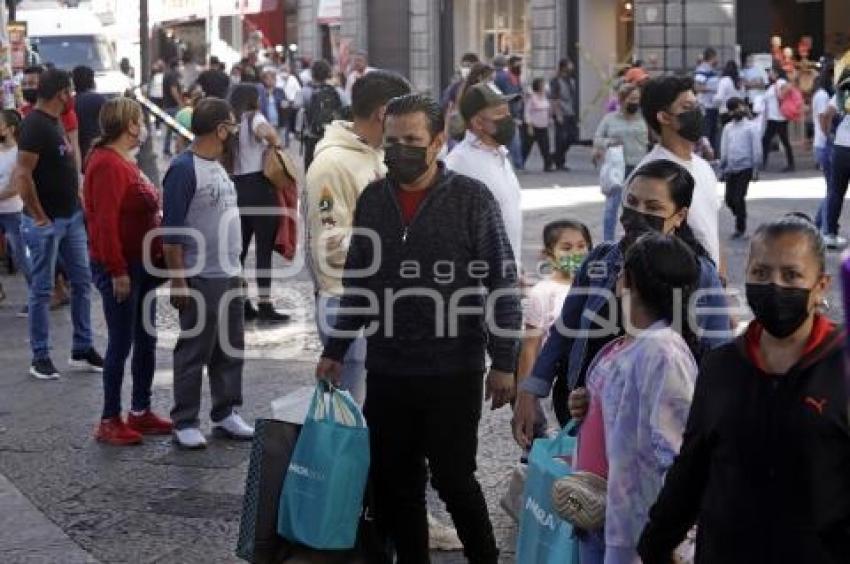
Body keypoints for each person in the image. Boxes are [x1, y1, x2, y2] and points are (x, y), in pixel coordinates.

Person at [316, 94, 521, 562]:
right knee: (396, 481)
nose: (400, 150)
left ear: (437, 142)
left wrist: (504, 361)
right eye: (392, 141)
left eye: (412, 140)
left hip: (454, 367)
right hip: (389, 367)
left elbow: (501, 281)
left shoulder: (472, 198)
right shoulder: (373, 199)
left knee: (454, 478)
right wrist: (336, 348)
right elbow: (359, 283)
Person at [638, 214, 850, 564]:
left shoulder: (842, 366)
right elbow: (692, 468)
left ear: (821, 285)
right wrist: (655, 546)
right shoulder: (723, 367)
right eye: (761, 273)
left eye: (792, 275)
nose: (774, 285)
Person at [513, 160, 731, 439]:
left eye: (653, 208)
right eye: (632, 202)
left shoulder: (699, 274)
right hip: (583, 409)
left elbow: (717, 356)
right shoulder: (600, 260)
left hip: (653, 425)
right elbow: (564, 330)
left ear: (679, 216)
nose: (638, 214)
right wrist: (531, 391)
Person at [569, 233, 701, 564]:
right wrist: (585, 404)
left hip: (636, 530)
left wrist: (673, 535)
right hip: (599, 515)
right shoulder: (630, 342)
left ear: (627, 279)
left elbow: (677, 450)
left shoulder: (662, 352)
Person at [306, 70, 410, 405]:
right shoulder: (332, 163)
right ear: (384, 114)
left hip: (383, 301)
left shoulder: (377, 153)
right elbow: (330, 243)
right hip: (345, 300)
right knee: (347, 415)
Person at [161, 97, 253, 449]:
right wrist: (178, 280)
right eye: (231, 125)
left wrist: (238, 270)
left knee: (230, 347)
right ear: (220, 129)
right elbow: (171, 232)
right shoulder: (185, 169)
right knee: (194, 349)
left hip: (228, 272)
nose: (234, 132)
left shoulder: (218, 166)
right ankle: (184, 419)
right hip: (200, 274)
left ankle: (225, 411)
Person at [84, 97, 172, 445]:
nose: (144, 127)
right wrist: (117, 270)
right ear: (130, 125)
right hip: (124, 268)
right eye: (140, 120)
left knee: (145, 339)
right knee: (121, 342)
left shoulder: (121, 160)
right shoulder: (107, 164)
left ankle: (140, 410)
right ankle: (109, 417)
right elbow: (103, 223)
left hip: (141, 265)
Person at [14, 68, 103, 380]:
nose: (73, 99)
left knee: (81, 282)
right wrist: (39, 216)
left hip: (70, 218)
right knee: (41, 289)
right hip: (47, 223)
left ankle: (82, 346)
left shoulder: (54, 122)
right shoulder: (35, 126)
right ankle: (40, 355)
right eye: (70, 93)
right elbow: (23, 175)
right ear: (62, 94)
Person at [635, 75, 723, 269]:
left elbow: (710, 229)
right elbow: (641, 242)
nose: (697, 113)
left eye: (696, 106)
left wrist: (719, 277)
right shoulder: (651, 176)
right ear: (664, 117)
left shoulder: (703, 166)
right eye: (687, 108)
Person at [515, 220, 592, 438]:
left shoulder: (598, 286)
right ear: (548, 254)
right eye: (566, 248)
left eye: (581, 246)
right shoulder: (543, 292)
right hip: (566, 385)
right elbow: (530, 348)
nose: (576, 253)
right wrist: (525, 399)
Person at [226, 84, 289, 323]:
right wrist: (275, 142)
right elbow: (268, 133)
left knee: (238, 251)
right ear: (254, 100)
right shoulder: (254, 117)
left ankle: (241, 303)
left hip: (238, 188)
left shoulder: (231, 121)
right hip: (260, 189)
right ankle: (265, 304)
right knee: (263, 251)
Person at [446, 82, 523, 265]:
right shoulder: (459, 163)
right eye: (499, 113)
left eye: (508, 112)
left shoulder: (500, 155)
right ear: (478, 122)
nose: (508, 118)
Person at [593, 83, 650, 242]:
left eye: (637, 99)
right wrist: (609, 142)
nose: (635, 102)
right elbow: (597, 139)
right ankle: (608, 242)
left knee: (635, 208)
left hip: (639, 168)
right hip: (617, 169)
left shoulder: (643, 118)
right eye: (632, 99)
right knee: (612, 207)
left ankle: (633, 239)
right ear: (622, 99)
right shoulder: (610, 119)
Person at [0, 109, 31, 317]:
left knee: (22, 256)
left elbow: (14, 188)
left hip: (13, 211)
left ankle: (37, 296)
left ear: (10, 129)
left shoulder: (19, 153)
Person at [719, 97, 762, 239]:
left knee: (739, 198)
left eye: (738, 108)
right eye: (733, 109)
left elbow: (756, 149)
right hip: (731, 168)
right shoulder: (727, 128)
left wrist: (756, 169)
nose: (736, 112)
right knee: (729, 199)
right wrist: (723, 167)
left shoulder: (751, 127)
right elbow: (724, 148)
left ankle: (740, 227)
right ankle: (740, 214)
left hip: (746, 167)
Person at [820, 68, 850, 250]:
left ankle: (830, 234)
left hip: (840, 147)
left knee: (836, 192)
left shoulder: (843, 93)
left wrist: (828, 135)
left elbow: (825, 114)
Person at [297, 59, 346, 170]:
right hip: (333, 137)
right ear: (328, 73)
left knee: (312, 170)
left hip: (312, 137)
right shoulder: (337, 90)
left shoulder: (305, 91)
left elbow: (297, 107)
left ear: (312, 73)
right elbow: (347, 107)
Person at [812, 63, 835, 234]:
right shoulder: (822, 96)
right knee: (833, 190)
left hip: (822, 144)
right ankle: (825, 230)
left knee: (831, 189)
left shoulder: (822, 94)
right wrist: (830, 137)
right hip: (824, 145)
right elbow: (823, 119)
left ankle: (818, 225)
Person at [494, 55, 526, 171]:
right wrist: (516, 114)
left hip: (497, 112)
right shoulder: (507, 77)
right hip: (508, 112)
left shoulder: (496, 76)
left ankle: (505, 163)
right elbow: (512, 95)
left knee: (502, 140)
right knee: (513, 140)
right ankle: (518, 164)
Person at [762, 65, 795, 172]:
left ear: (776, 73)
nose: (769, 74)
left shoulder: (780, 82)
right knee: (768, 140)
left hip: (779, 118)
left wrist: (780, 93)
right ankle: (764, 162)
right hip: (773, 118)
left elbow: (787, 90)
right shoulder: (772, 85)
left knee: (779, 140)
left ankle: (790, 164)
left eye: (771, 72)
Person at [72, 65, 106, 163]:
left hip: (77, 151)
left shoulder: (70, 102)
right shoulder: (100, 100)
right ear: (92, 81)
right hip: (96, 151)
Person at [550, 58, 579, 170]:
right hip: (561, 112)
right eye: (569, 65)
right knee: (560, 138)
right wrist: (558, 114)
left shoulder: (571, 80)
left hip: (570, 112)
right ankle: (559, 162)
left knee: (572, 136)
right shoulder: (556, 81)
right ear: (563, 67)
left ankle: (556, 155)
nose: (571, 67)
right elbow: (555, 98)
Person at [522, 77, 554, 172]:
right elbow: (527, 112)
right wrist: (529, 125)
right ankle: (520, 163)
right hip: (533, 126)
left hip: (543, 126)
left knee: (545, 146)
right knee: (527, 147)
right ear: (538, 86)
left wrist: (550, 119)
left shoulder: (545, 97)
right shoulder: (532, 97)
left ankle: (548, 165)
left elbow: (548, 110)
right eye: (543, 84)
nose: (545, 86)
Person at [694, 48, 721, 154]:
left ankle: (712, 154)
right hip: (705, 106)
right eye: (716, 57)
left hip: (713, 105)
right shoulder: (703, 70)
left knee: (714, 131)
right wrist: (713, 89)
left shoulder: (712, 70)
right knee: (707, 131)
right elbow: (697, 87)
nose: (717, 60)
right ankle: (705, 154)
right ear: (712, 57)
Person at [258, 67, 288, 142]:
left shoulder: (280, 91)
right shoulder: (261, 92)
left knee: (279, 146)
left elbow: (285, 103)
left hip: (279, 123)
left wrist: (285, 105)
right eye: (268, 78)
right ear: (263, 80)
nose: (271, 81)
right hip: (266, 123)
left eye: (274, 78)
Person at [161, 60, 183, 157]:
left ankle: (166, 148)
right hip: (173, 106)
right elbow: (173, 90)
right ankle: (178, 148)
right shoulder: (173, 76)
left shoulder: (166, 75)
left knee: (170, 130)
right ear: (176, 66)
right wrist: (180, 103)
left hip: (167, 105)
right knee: (178, 129)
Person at [715, 60, 744, 127]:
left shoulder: (724, 80)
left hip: (725, 111)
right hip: (738, 111)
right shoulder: (739, 81)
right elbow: (742, 96)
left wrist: (715, 103)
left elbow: (719, 97)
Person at [148, 60, 165, 129]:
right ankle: (157, 126)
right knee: (157, 112)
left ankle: (158, 126)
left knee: (159, 112)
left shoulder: (163, 76)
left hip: (159, 96)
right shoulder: (153, 76)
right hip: (155, 96)